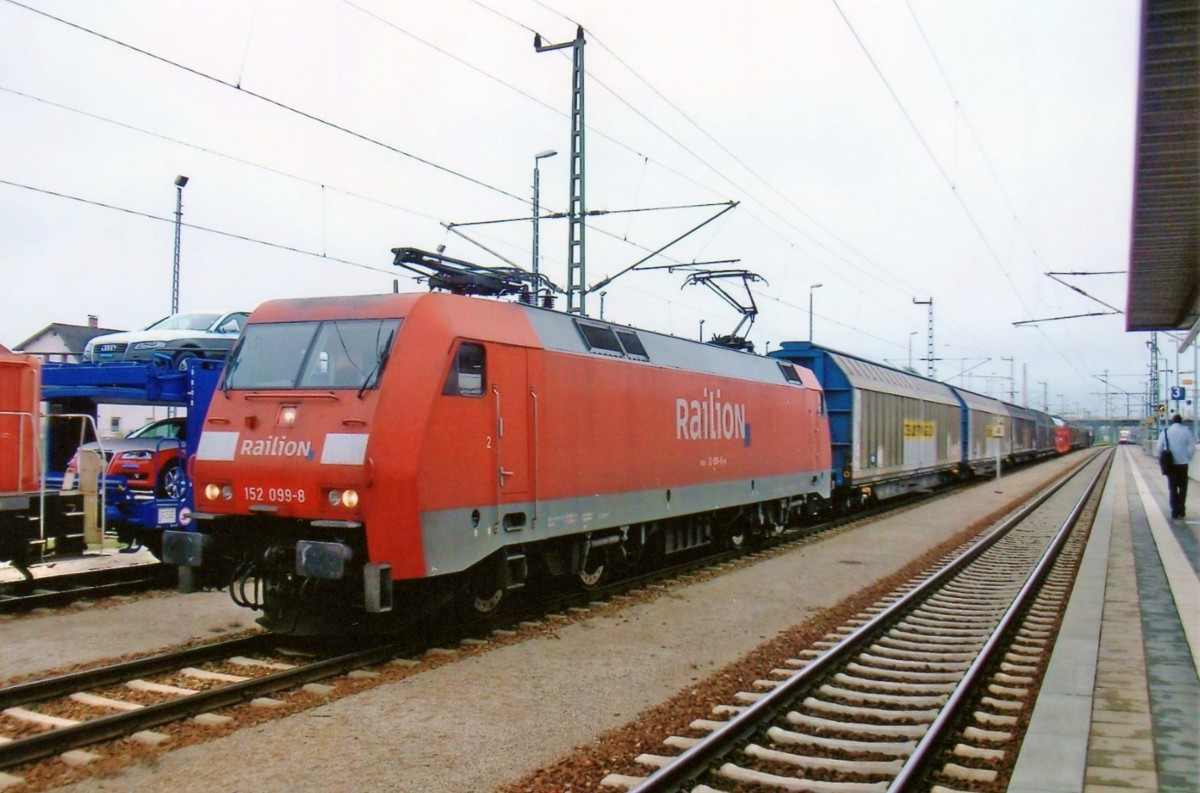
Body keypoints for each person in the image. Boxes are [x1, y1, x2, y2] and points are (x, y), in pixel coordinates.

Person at [1156, 414, 1196, 519]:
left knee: (1172, 487)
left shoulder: (1165, 432)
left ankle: (1174, 511)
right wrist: (1187, 457)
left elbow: (1159, 448)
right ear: (1181, 421)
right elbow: (1192, 446)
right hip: (1183, 464)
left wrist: (1164, 458)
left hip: (1171, 464)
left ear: (1172, 421)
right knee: (1183, 487)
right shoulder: (1186, 431)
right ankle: (1181, 509)